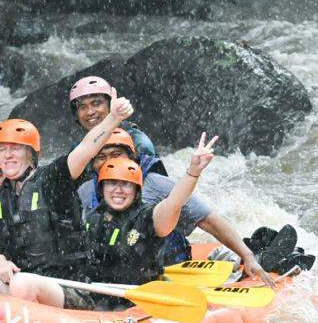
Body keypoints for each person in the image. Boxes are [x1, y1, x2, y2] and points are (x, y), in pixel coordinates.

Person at [0, 97, 136, 307]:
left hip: (70, 287)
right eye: (2, 150)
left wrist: (113, 118)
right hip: (20, 283)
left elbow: (86, 149)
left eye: (15, 149)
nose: (8, 156)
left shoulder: (53, 179)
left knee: (22, 284)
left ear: (31, 154)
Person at [77, 128, 273, 285]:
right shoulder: (86, 191)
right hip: (113, 272)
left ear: (132, 158)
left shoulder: (155, 184)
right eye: (101, 157)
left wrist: (247, 256)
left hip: (163, 265)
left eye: (116, 154)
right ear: (92, 163)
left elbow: (207, 220)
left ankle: (238, 256)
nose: (110, 161)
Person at [84, 133, 218, 310]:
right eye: (112, 183)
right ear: (102, 188)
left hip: (136, 300)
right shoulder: (93, 217)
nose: (118, 190)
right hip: (98, 295)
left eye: (126, 184)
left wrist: (192, 173)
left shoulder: (147, 217)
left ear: (137, 190)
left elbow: (174, 202)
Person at [69, 76, 157, 158]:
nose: (90, 112)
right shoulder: (77, 148)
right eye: (82, 107)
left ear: (110, 105)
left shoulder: (138, 142)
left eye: (96, 104)